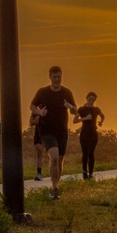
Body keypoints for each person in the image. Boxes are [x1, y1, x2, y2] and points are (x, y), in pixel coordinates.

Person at [30, 66, 77, 199]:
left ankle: (57, 184)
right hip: (46, 130)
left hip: (61, 130)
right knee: (54, 157)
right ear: (50, 77)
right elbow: (31, 106)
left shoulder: (67, 92)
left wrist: (71, 107)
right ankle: (54, 188)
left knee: (60, 160)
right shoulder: (42, 92)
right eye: (54, 77)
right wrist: (39, 112)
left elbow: (75, 111)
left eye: (59, 76)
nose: (57, 79)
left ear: (61, 76)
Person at [74, 92, 104, 180]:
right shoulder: (82, 109)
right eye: (90, 99)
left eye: (93, 100)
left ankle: (91, 173)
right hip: (84, 133)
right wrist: (85, 118)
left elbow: (103, 116)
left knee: (91, 153)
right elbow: (75, 120)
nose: (91, 101)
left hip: (93, 133)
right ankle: (84, 172)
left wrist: (101, 122)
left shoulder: (96, 109)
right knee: (85, 153)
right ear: (87, 99)